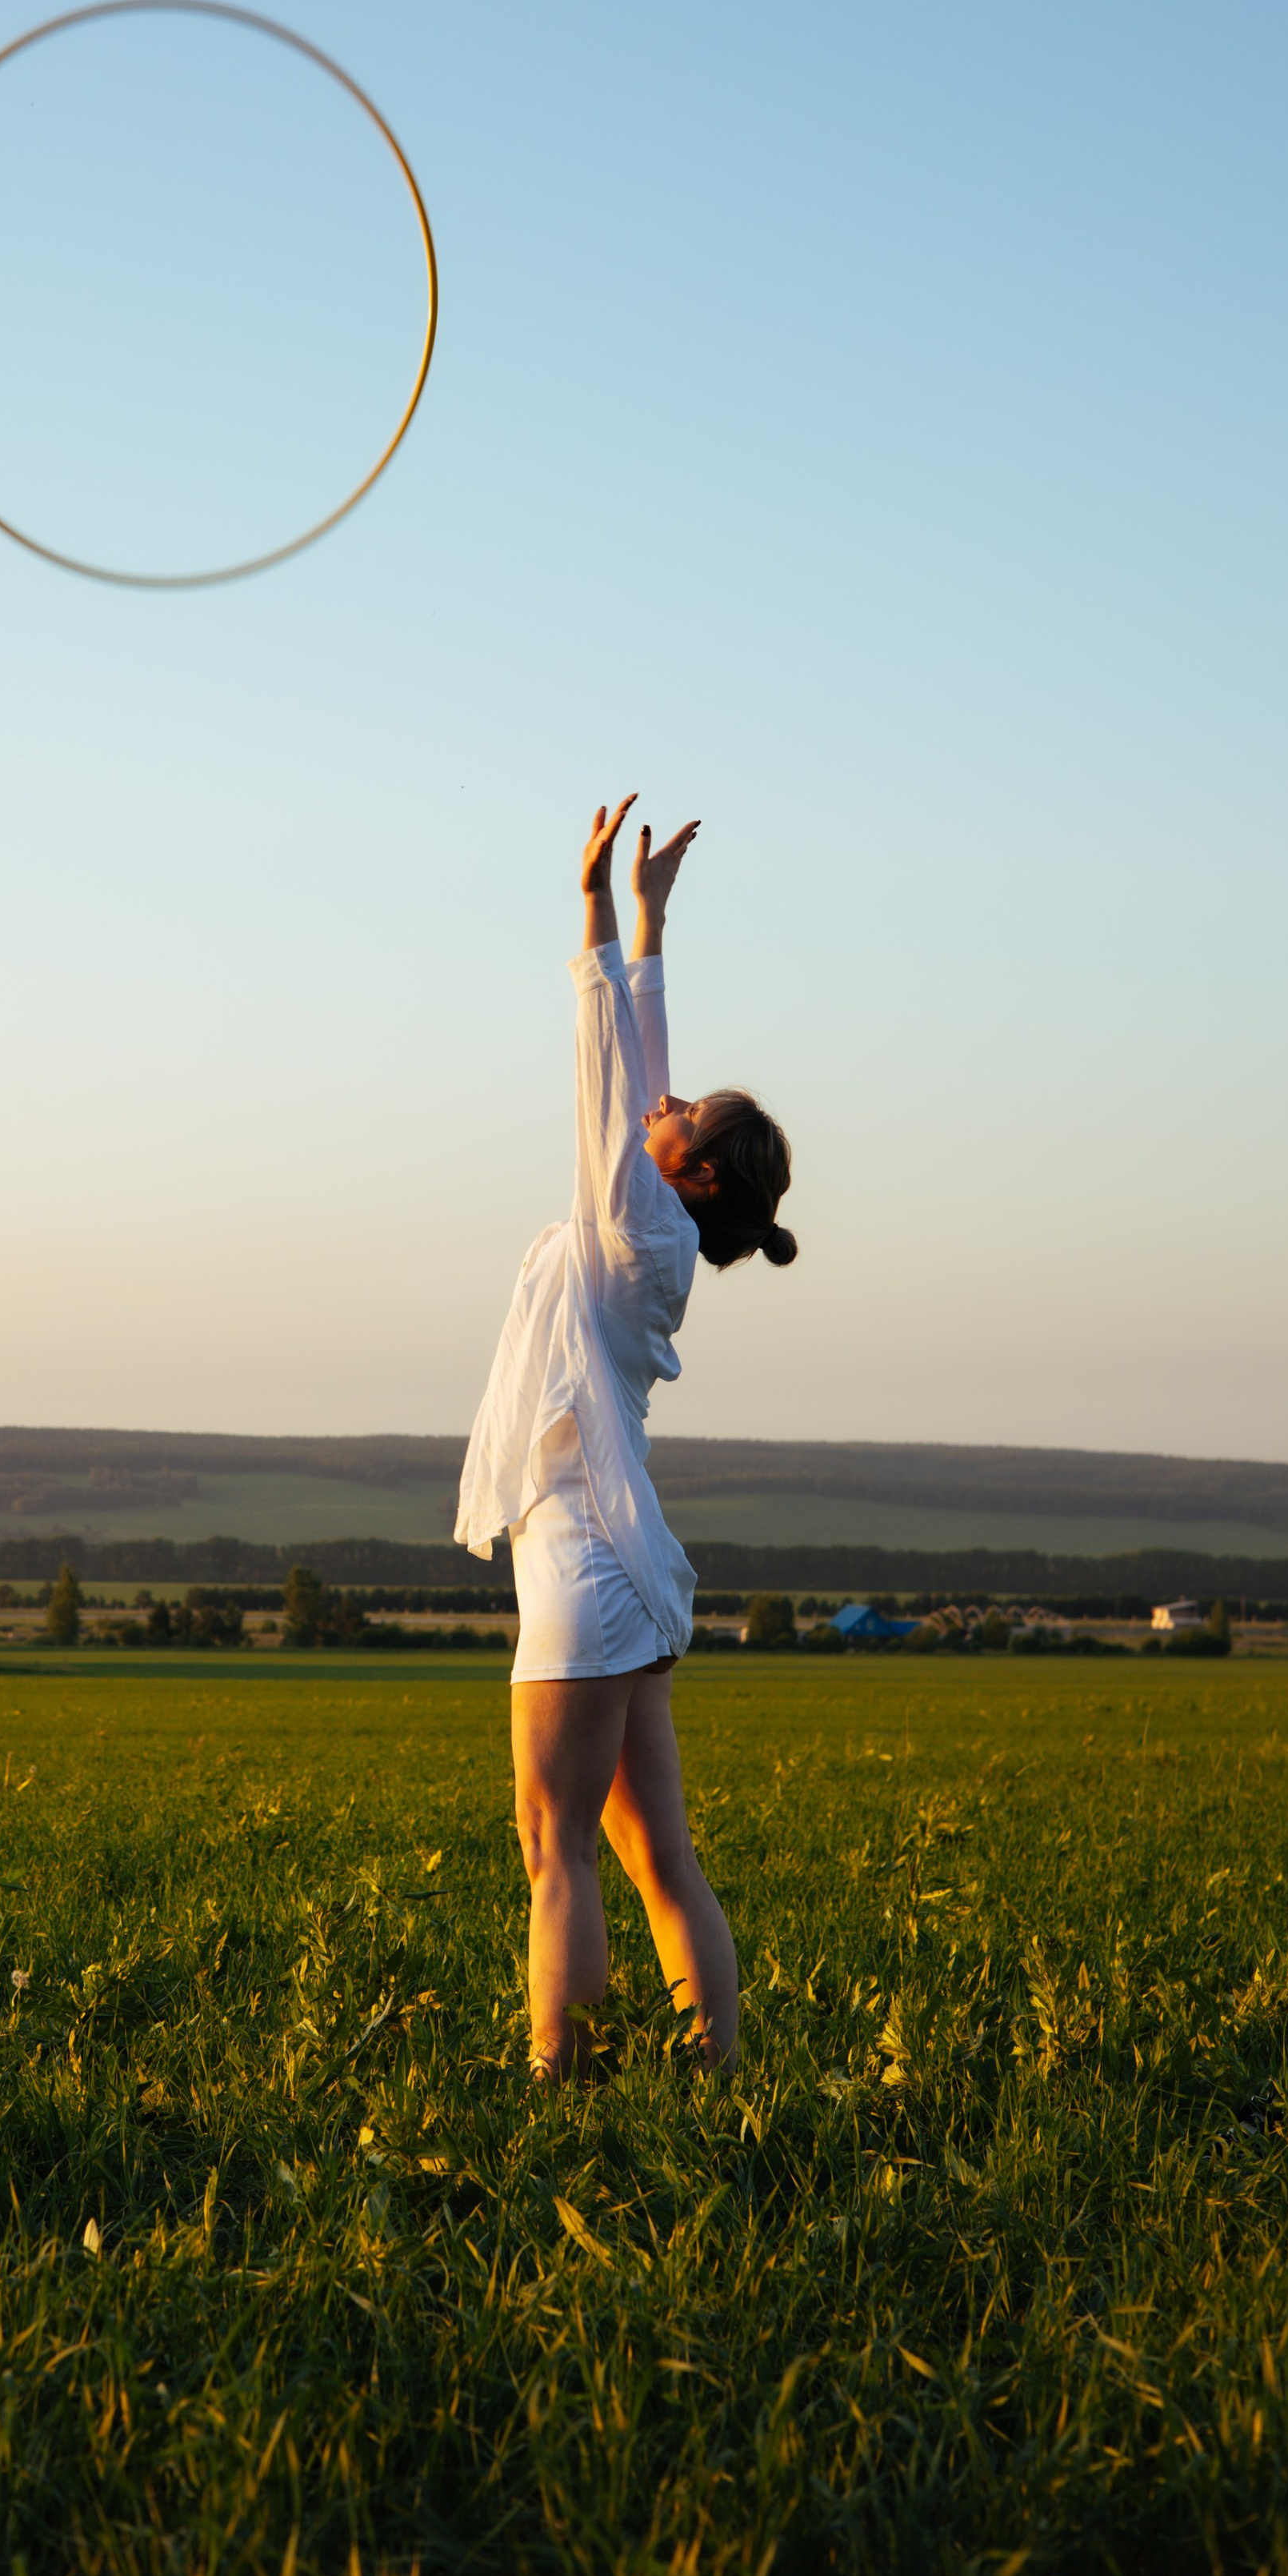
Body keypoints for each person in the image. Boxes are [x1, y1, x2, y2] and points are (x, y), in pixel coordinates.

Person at [455, 795, 797, 2080]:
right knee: (656, 1852)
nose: (663, 1100)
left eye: (682, 1114)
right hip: (624, 1570)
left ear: (692, 1175)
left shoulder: (636, 1224)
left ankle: (567, 2087)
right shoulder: (656, 1222)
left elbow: (606, 1066)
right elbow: (638, 1078)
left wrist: (595, 914)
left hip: (590, 1576)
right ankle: (713, 2077)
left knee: (559, 1853)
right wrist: (652, 921)